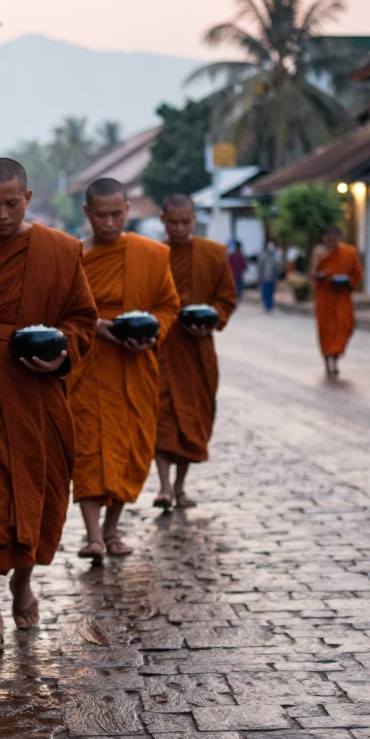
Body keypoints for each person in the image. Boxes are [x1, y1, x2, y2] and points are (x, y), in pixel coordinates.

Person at [0, 158, 96, 654]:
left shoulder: (58, 251)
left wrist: (62, 353)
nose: (2, 213)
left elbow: (82, 318)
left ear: (28, 198)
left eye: (12, 203)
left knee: (36, 499)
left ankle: (22, 582)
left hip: (37, 392)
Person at [68, 178, 180, 560]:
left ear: (128, 210)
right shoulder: (73, 256)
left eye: (117, 213)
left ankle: (113, 530)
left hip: (135, 364)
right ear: (87, 213)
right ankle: (93, 535)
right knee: (90, 448)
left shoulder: (150, 254)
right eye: (102, 214)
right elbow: (63, 310)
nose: (110, 222)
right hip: (90, 366)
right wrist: (98, 327)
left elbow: (168, 305)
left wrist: (152, 334)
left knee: (131, 446)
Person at [153, 194, 237, 512]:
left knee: (193, 415)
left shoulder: (213, 254)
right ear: (163, 218)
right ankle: (163, 485)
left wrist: (212, 319)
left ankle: (179, 486)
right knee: (161, 415)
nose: (179, 228)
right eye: (173, 222)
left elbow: (226, 298)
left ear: (194, 219)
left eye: (185, 221)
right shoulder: (153, 255)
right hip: (163, 347)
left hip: (198, 349)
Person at [312, 226, 362, 377]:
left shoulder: (349, 252)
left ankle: (336, 356)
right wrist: (320, 276)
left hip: (342, 296)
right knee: (326, 330)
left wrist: (349, 282)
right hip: (325, 297)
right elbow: (313, 274)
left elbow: (357, 274)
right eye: (327, 239)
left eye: (333, 239)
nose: (329, 242)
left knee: (346, 325)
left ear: (339, 238)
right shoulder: (319, 252)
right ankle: (329, 361)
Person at [258, 239, 283, 312]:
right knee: (266, 292)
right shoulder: (264, 256)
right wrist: (260, 277)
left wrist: (277, 276)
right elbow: (260, 267)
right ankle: (267, 305)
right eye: (269, 245)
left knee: (271, 292)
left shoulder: (275, 257)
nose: (271, 247)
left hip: (272, 278)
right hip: (265, 278)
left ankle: (270, 305)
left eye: (272, 246)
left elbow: (278, 267)